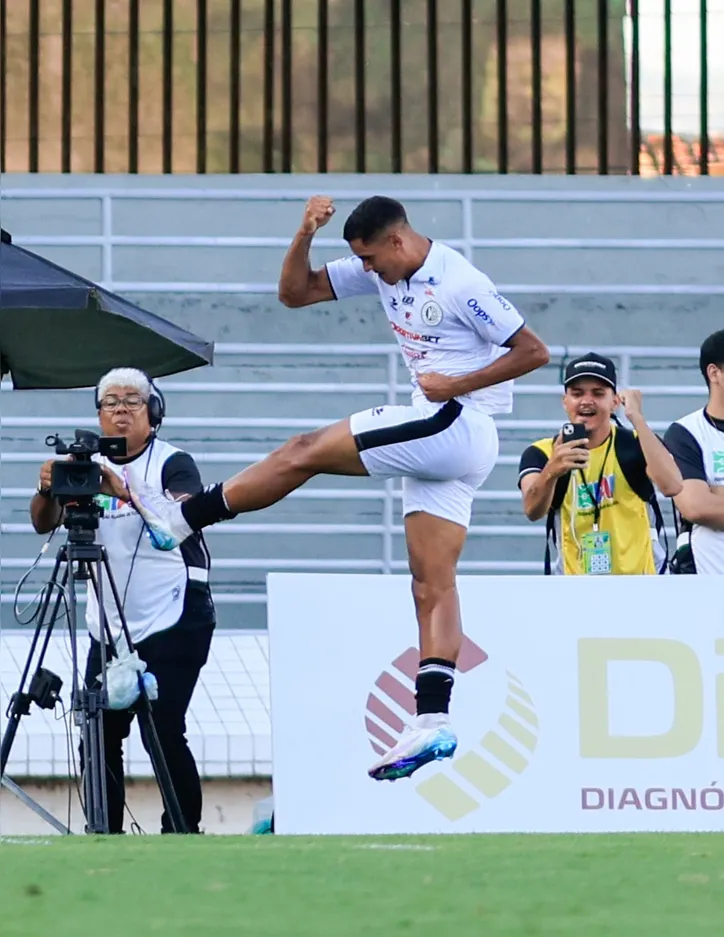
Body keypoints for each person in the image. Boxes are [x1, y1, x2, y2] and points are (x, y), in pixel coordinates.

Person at [121, 194, 550, 783]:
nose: (367, 270)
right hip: (452, 447)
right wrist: (304, 232)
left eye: (372, 259)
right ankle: (433, 721)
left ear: (397, 241)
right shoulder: (383, 269)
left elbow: (533, 351)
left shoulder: (458, 281)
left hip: (455, 420)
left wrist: (455, 382)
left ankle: (183, 518)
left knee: (304, 450)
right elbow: (295, 293)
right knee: (431, 584)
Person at [30, 368, 215, 833]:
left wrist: (124, 491)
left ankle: (181, 831)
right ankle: (105, 835)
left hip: (176, 612)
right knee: (99, 731)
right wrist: (48, 487)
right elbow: (42, 523)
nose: (121, 411)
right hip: (110, 621)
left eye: (133, 401)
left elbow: (179, 521)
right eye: (110, 402)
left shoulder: (173, 462)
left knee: (163, 728)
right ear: (98, 414)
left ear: (153, 412)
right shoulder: (85, 465)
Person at [518, 353, 682, 575]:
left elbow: (672, 486)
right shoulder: (542, 453)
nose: (587, 401)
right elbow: (532, 511)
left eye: (598, 393)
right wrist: (552, 471)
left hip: (642, 583)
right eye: (577, 394)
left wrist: (636, 417)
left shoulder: (636, 441)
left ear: (615, 402)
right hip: (575, 587)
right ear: (565, 401)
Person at [664, 330, 724, 574]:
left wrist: (715, 493)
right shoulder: (685, 433)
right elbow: (695, 507)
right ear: (714, 373)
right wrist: (707, 499)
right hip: (708, 583)